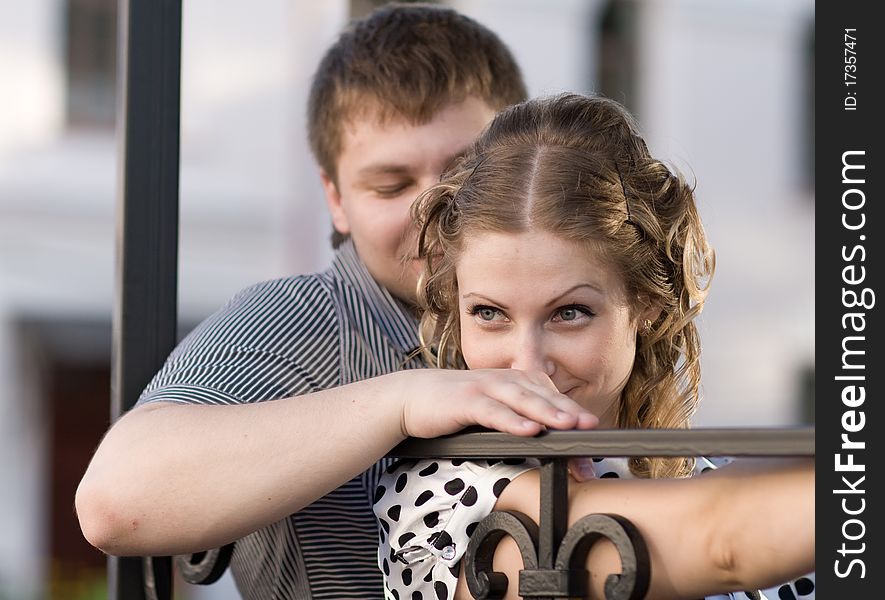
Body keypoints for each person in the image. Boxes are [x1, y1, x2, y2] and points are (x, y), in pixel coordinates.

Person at [74, 5, 597, 599]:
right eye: (391, 185)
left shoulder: (588, 313)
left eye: (464, 174)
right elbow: (114, 502)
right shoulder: (298, 319)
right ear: (337, 199)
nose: (430, 214)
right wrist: (402, 401)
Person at [373, 93, 815, 600]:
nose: (528, 367)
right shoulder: (438, 487)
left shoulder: (707, 474)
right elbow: (724, 545)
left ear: (646, 301)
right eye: (489, 314)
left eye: (569, 313)